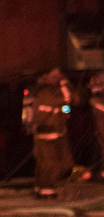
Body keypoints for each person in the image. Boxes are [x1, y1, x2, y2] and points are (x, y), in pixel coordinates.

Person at [22, 69, 74, 197]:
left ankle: (40, 188)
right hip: (49, 132)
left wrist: (65, 111)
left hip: (46, 132)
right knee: (51, 163)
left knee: (43, 162)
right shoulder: (47, 91)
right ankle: (47, 190)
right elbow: (67, 99)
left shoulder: (42, 90)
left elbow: (63, 107)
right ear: (48, 77)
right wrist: (63, 83)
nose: (59, 78)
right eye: (56, 76)